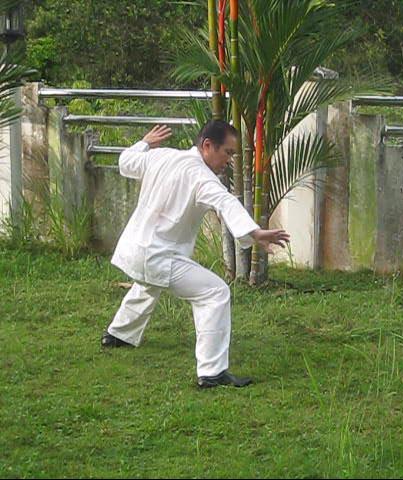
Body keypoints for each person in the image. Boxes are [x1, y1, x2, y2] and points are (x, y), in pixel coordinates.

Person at [101, 121, 290, 389]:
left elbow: (126, 161)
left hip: (134, 251)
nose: (230, 160)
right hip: (157, 256)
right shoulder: (201, 176)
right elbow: (225, 201)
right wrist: (255, 233)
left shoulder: (162, 155)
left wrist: (144, 142)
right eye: (227, 152)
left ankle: (118, 334)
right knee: (215, 292)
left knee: (148, 284)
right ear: (207, 146)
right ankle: (212, 372)